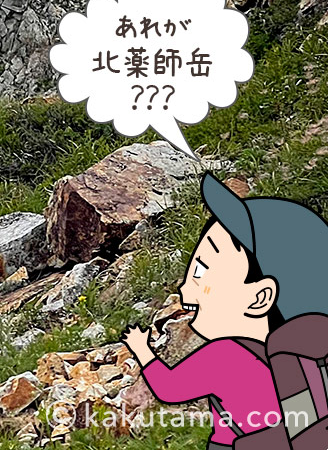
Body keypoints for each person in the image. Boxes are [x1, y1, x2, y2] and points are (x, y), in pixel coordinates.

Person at [123, 174, 328, 446]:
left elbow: (169, 389)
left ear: (259, 298)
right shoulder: (308, 353)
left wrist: (143, 350)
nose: (185, 287)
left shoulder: (225, 357)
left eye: (201, 271)